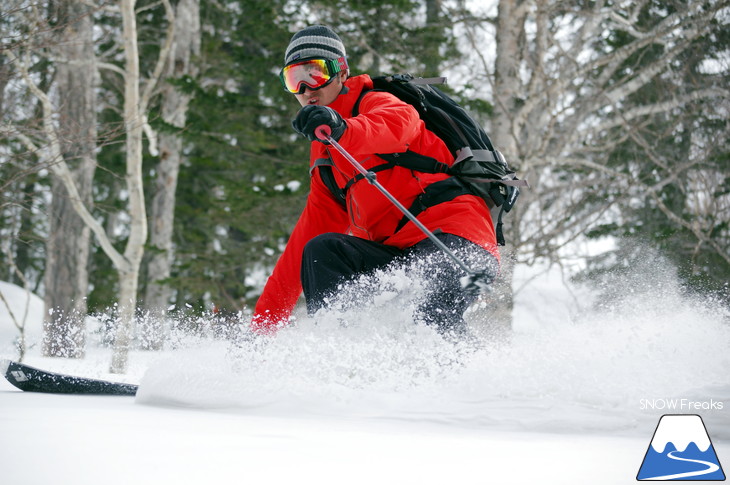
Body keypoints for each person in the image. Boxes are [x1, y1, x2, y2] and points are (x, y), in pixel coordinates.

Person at [251, 25, 499, 335]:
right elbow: (298, 251)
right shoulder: (327, 159)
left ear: (341, 72)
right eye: (293, 79)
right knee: (321, 251)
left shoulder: (376, 102)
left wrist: (342, 128)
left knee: (427, 318)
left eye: (315, 72)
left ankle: (474, 378)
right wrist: (261, 330)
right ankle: (339, 347)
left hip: (453, 240)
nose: (306, 88)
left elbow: (398, 125)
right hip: (398, 256)